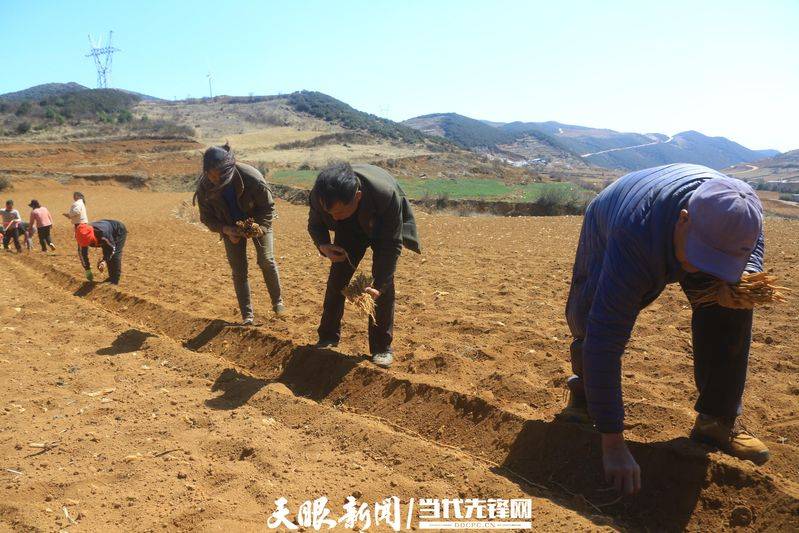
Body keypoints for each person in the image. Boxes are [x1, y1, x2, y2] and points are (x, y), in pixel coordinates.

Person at [563, 163, 768, 496]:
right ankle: (585, 397)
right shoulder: (635, 233)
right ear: (684, 218)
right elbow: (606, 339)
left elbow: (750, 248)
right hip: (612, 217)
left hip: (694, 227)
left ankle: (716, 422)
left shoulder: (741, 218)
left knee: (732, 304)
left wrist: (743, 278)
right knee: (590, 316)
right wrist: (613, 442)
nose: (698, 270)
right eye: (698, 256)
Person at [307, 162, 421, 368]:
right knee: (337, 280)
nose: (333, 218)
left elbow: (391, 245)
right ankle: (327, 337)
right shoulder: (320, 194)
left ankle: (382, 348)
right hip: (349, 229)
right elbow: (315, 224)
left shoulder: (385, 195)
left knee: (381, 288)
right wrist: (323, 245)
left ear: (357, 197)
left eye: (339, 212)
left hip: (382, 226)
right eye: (329, 213)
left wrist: (380, 284)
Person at [194, 144, 285, 325]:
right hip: (230, 227)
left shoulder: (251, 178)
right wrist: (226, 230)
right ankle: (247, 315)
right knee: (239, 270)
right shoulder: (205, 186)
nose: (213, 179)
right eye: (209, 174)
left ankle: (278, 303)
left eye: (217, 175)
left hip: (258, 222)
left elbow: (268, 209)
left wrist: (259, 228)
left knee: (266, 260)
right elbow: (206, 217)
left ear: (228, 169)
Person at [75, 220, 127, 284]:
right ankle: (111, 278)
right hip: (106, 232)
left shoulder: (102, 234)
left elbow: (111, 248)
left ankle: (115, 280)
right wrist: (87, 269)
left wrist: (104, 261)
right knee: (106, 252)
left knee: (115, 255)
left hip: (118, 231)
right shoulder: (81, 235)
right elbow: (82, 254)